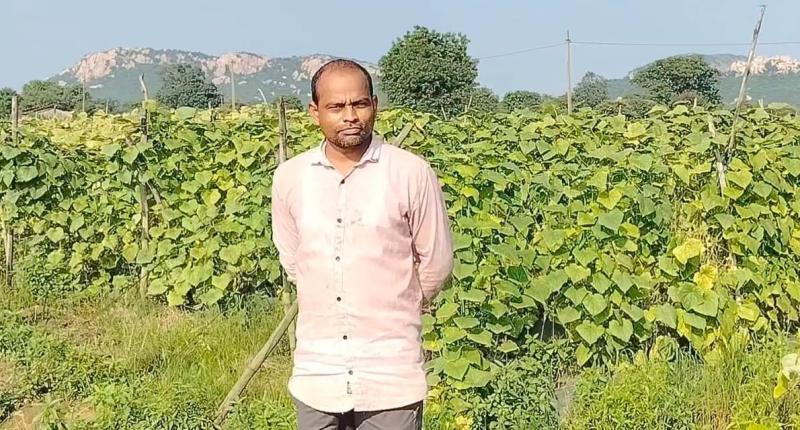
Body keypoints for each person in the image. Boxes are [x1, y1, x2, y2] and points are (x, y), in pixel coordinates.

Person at [270, 58, 454, 430]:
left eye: (360, 104)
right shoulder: (291, 178)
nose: (350, 116)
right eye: (336, 107)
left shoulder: (409, 173)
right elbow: (294, 259)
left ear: (375, 105)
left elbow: (436, 262)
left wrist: (397, 305)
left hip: (390, 371)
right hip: (318, 372)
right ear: (315, 112)